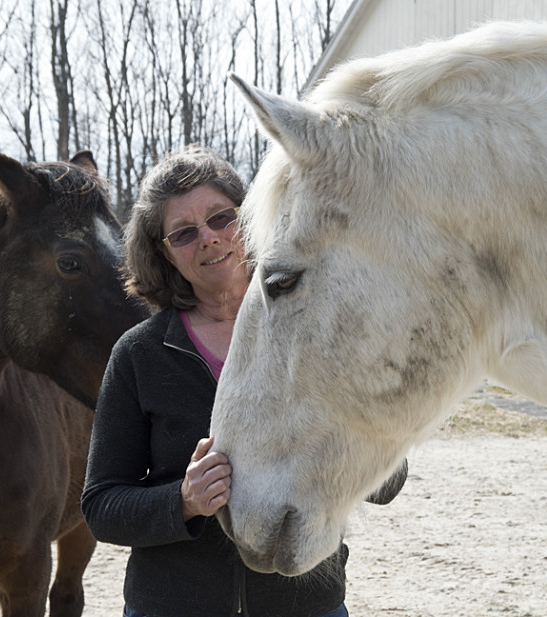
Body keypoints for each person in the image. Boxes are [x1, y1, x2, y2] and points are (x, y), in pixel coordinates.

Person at [81, 146, 407, 617]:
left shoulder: (318, 326)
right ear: (164, 254)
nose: (209, 239)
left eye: (221, 218)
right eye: (184, 233)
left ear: (253, 216)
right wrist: (184, 501)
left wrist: (339, 439)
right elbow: (102, 506)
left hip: (307, 605)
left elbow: (388, 482)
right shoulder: (138, 355)